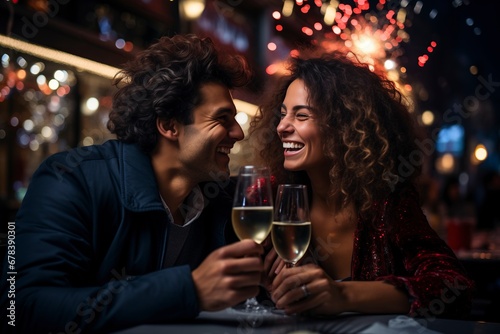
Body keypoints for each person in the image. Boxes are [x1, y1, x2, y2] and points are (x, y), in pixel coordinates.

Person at [0, 34, 265, 333]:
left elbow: (248, 292)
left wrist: (280, 285)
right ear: (168, 125)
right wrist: (187, 291)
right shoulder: (70, 179)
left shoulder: (225, 201)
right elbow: (21, 305)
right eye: (222, 119)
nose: (238, 134)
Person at [252, 51, 475, 319]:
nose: (281, 127)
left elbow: (455, 287)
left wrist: (344, 296)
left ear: (342, 127)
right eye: (283, 114)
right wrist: (258, 278)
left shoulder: (386, 201)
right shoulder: (271, 196)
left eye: (301, 116)